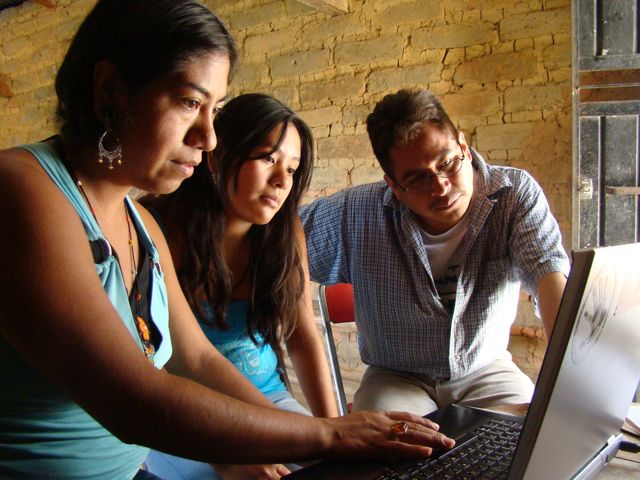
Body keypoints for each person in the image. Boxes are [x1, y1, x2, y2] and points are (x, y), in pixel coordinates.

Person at [0, 3, 454, 478]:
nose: (209, 137)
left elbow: (197, 358)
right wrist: (331, 435)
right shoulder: (22, 190)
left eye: (214, 110)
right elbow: (134, 402)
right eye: (190, 103)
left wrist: (332, 434)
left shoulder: (141, 227)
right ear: (110, 89)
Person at [300, 88, 570, 416]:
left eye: (447, 163)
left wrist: (571, 376)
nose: (440, 186)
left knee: (527, 440)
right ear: (394, 186)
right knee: (387, 453)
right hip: (396, 376)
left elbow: (549, 273)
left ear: (464, 147)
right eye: (417, 179)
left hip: (485, 368)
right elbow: (278, 243)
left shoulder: (514, 195)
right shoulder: (357, 213)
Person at [140, 93, 338, 479]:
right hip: (184, 415)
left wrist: (336, 435)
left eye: (292, 169)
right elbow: (171, 362)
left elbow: (302, 336)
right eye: (268, 159)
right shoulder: (159, 230)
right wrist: (230, 453)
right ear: (216, 157)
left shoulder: (285, 232)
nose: (282, 181)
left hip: (268, 397)